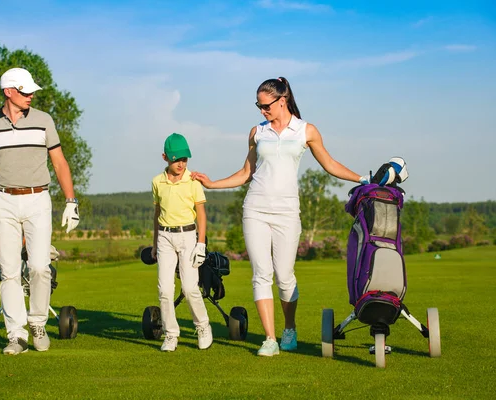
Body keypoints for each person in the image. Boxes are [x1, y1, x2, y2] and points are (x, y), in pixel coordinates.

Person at [191, 77, 367, 356]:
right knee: (261, 274)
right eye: (258, 106)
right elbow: (246, 173)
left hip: (287, 212)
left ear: (281, 100)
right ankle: (270, 339)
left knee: (284, 277)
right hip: (255, 209)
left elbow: (330, 164)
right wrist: (213, 183)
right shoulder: (256, 132)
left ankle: (289, 328)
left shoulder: (305, 130)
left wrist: (363, 179)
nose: (262, 111)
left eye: (265, 105)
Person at [0, 67, 80, 355]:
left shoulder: (43, 120)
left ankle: (37, 323)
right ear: (9, 92)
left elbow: (59, 162)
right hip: (3, 200)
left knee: (38, 266)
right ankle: (16, 335)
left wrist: (71, 201)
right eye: (25, 91)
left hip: (37, 199)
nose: (31, 95)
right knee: (8, 272)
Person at [151, 133, 213, 352]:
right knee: (165, 290)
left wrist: (201, 244)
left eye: (184, 159)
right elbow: (157, 212)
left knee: (189, 287)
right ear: (165, 157)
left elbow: (201, 214)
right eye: (177, 159)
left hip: (188, 236)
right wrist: (154, 243)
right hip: (165, 237)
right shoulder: (157, 182)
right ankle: (171, 334)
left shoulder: (193, 181)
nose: (181, 164)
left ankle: (203, 325)